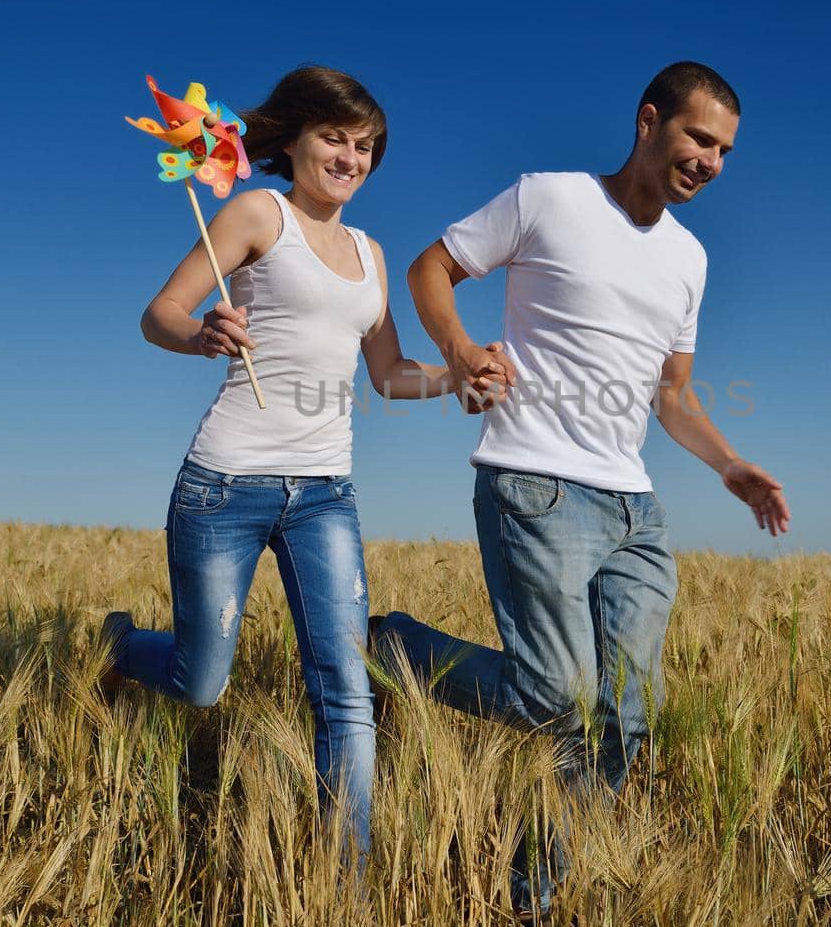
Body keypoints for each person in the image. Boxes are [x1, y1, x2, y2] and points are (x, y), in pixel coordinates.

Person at [375, 61, 791, 916]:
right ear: (648, 122)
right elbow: (430, 270)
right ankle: (393, 646)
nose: (710, 160)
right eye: (697, 137)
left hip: (634, 507)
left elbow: (669, 394)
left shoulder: (690, 259)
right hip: (535, 486)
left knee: (629, 716)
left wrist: (728, 464)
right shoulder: (549, 199)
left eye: (724, 151)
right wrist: (460, 353)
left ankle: (536, 894)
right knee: (553, 698)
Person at [99, 65, 496, 861]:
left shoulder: (372, 254)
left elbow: (387, 374)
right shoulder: (256, 212)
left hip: (325, 495)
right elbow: (159, 314)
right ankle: (121, 647)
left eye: (365, 146)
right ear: (296, 141)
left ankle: (339, 884)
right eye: (335, 139)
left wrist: (461, 374)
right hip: (224, 485)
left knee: (345, 691)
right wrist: (201, 333)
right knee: (201, 681)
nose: (350, 157)